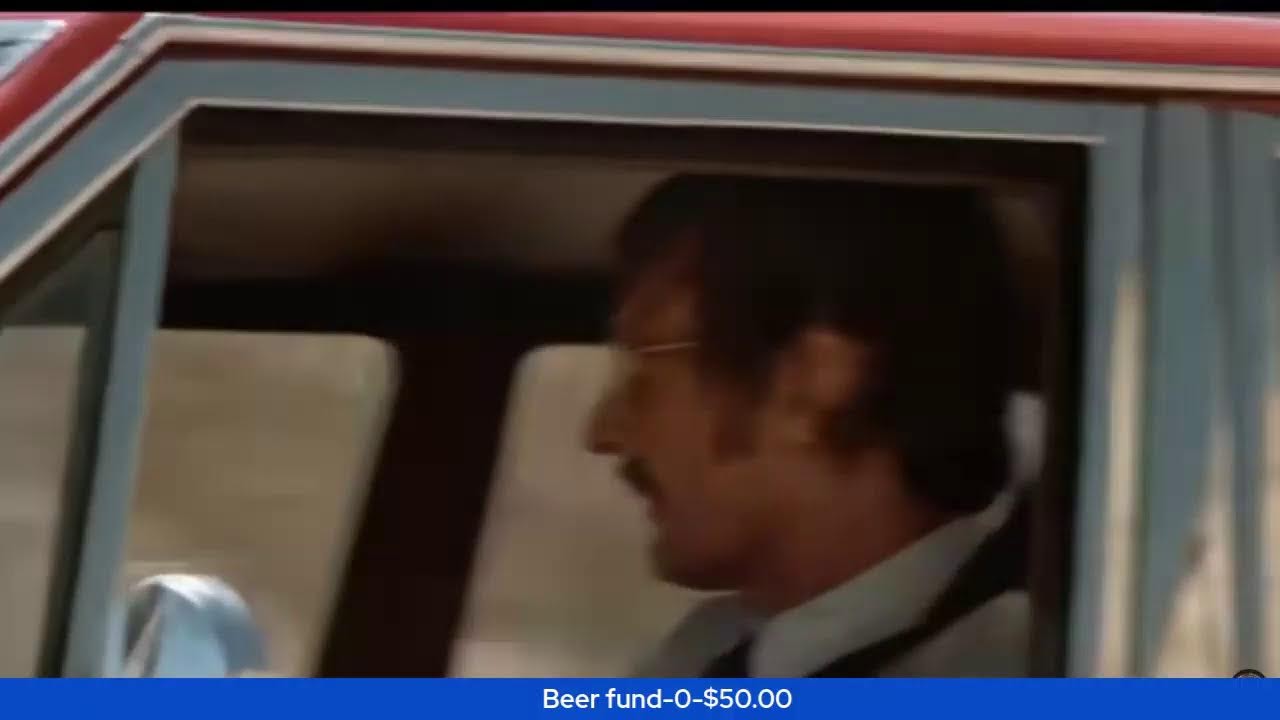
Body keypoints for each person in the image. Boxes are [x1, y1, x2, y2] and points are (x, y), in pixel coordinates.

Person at [584, 174, 1032, 678]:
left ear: (812, 380)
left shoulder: (1007, 667)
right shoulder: (708, 647)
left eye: (644, 369)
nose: (602, 432)